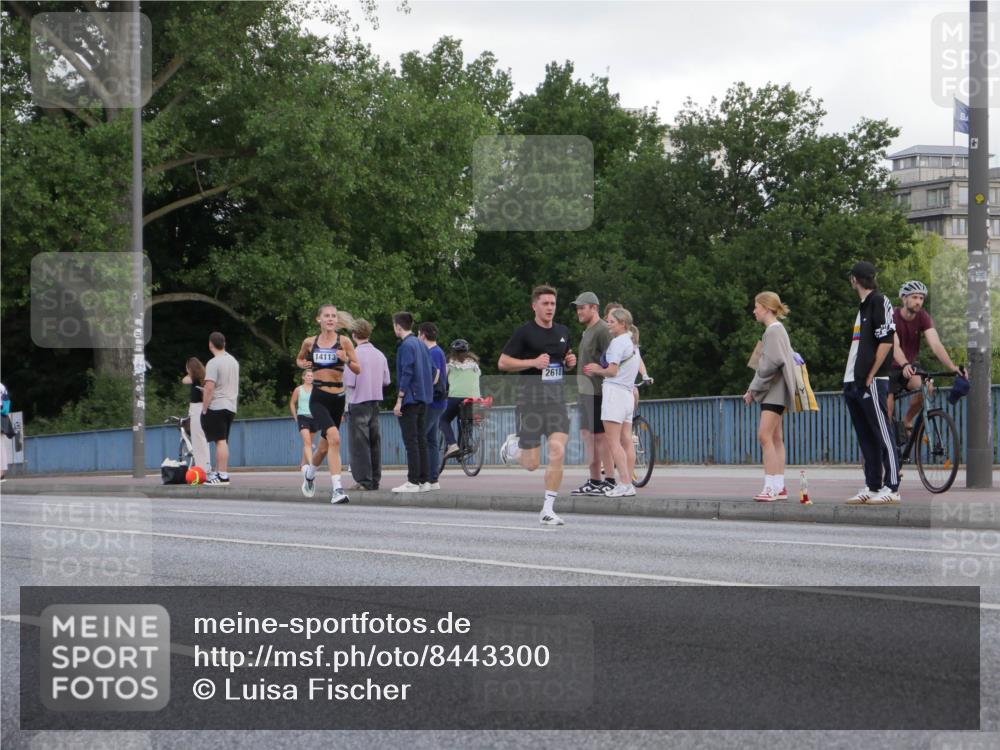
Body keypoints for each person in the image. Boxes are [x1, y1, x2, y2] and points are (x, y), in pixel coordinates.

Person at [498, 285, 577, 526]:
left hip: (556, 402)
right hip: (530, 402)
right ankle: (513, 448)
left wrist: (570, 362)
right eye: (545, 303)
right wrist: (532, 362)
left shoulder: (563, 331)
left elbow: (564, 357)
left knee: (557, 450)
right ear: (535, 306)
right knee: (532, 464)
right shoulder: (524, 333)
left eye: (553, 304)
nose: (550, 308)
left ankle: (547, 509)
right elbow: (503, 363)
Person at [843, 261, 901, 505]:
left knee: (882, 433)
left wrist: (871, 374)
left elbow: (887, 340)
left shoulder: (879, 301)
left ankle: (893, 487)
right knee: (866, 435)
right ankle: (873, 484)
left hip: (872, 380)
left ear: (854, 279)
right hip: (853, 379)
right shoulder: (863, 306)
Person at [295, 304, 361, 504]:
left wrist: (346, 359)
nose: (331, 319)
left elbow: (358, 369)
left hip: (338, 398)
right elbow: (299, 359)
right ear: (319, 319)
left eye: (333, 316)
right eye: (327, 316)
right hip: (319, 397)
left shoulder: (344, 341)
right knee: (335, 438)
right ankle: (337, 490)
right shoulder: (310, 342)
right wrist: (303, 363)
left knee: (324, 447)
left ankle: (309, 475)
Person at [887, 280, 966, 435]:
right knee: (887, 413)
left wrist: (952, 367)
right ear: (904, 298)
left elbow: (935, 344)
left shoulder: (922, 317)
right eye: (914, 297)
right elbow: (894, 346)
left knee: (926, 388)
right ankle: (885, 444)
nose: (918, 302)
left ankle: (907, 420)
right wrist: (904, 364)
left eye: (921, 298)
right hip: (888, 368)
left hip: (909, 367)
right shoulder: (892, 316)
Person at [742, 292, 798, 502]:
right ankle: (779, 486)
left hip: (774, 392)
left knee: (764, 436)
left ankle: (770, 488)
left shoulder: (772, 332)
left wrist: (753, 390)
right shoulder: (779, 330)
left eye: (756, 307)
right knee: (776, 438)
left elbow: (768, 366)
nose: (754, 311)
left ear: (766, 308)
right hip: (779, 390)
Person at [583, 307, 640, 497]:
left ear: (622, 324)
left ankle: (624, 483)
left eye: (612, 322)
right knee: (626, 441)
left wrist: (596, 369)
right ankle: (628, 482)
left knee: (613, 442)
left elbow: (612, 371)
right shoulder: (632, 342)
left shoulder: (617, 343)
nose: (608, 324)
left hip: (615, 394)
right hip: (627, 395)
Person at [570, 291, 615, 497]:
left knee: (600, 437)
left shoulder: (603, 330)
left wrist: (600, 369)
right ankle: (595, 480)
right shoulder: (588, 331)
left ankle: (610, 480)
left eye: (582, 308)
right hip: (585, 392)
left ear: (594, 308)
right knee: (588, 436)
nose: (579, 312)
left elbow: (614, 361)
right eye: (578, 308)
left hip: (598, 391)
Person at [343, 318, 390, 491]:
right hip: (374, 402)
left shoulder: (353, 356)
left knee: (359, 444)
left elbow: (350, 382)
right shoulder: (380, 354)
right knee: (374, 442)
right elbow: (386, 381)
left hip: (357, 402)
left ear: (354, 335)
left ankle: (364, 480)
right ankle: (375, 480)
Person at [392, 312, 434, 493]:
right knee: (421, 440)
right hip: (424, 398)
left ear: (398, 326)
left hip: (410, 399)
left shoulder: (406, 346)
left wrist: (399, 399)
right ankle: (425, 480)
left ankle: (413, 481)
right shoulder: (421, 344)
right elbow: (433, 370)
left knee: (411, 441)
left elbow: (407, 372)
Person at [201, 332, 239, 485]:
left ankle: (222, 475)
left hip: (217, 405)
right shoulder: (233, 361)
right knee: (223, 441)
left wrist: (205, 407)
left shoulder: (213, 363)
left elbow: (209, 387)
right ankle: (219, 472)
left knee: (220, 441)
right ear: (224, 343)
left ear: (210, 344)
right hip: (231, 406)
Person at [418, 322, 447, 490]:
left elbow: (434, 376)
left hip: (432, 401)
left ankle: (425, 478)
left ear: (423, 335)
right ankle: (433, 478)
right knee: (431, 440)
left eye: (418, 334)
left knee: (421, 437)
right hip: (438, 401)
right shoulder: (438, 351)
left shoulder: (433, 352)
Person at [441, 339, 482, 458]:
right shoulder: (475, 364)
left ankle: (452, 445)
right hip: (474, 399)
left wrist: (443, 392)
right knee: (465, 420)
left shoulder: (449, 364)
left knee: (443, 420)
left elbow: (443, 381)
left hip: (456, 397)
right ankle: (465, 445)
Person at [181, 357, 211, 472]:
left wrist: (190, 373)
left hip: (197, 410)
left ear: (190, 369)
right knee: (203, 440)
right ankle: (206, 466)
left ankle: (201, 468)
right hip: (203, 409)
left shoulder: (195, 380)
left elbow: (184, 380)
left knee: (198, 441)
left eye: (187, 368)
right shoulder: (204, 378)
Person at [289, 369, 317, 470]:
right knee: (307, 442)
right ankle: (311, 465)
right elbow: (292, 403)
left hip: (314, 418)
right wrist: (295, 416)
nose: (310, 377)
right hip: (302, 417)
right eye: (308, 376)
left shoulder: (316, 389)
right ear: (303, 377)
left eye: (311, 376)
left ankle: (302, 464)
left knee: (308, 443)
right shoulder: (298, 389)